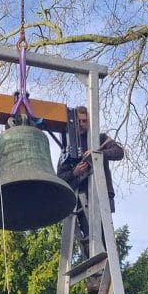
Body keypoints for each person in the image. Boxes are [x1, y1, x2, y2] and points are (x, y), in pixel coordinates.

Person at [56, 105, 125, 258]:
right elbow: (59, 177)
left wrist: (98, 153)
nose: (81, 124)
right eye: (78, 122)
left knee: (105, 236)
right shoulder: (68, 148)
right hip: (81, 198)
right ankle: (96, 268)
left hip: (101, 192)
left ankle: (111, 262)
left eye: (84, 121)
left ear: (89, 122)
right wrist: (74, 172)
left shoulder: (100, 139)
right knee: (90, 240)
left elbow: (119, 152)